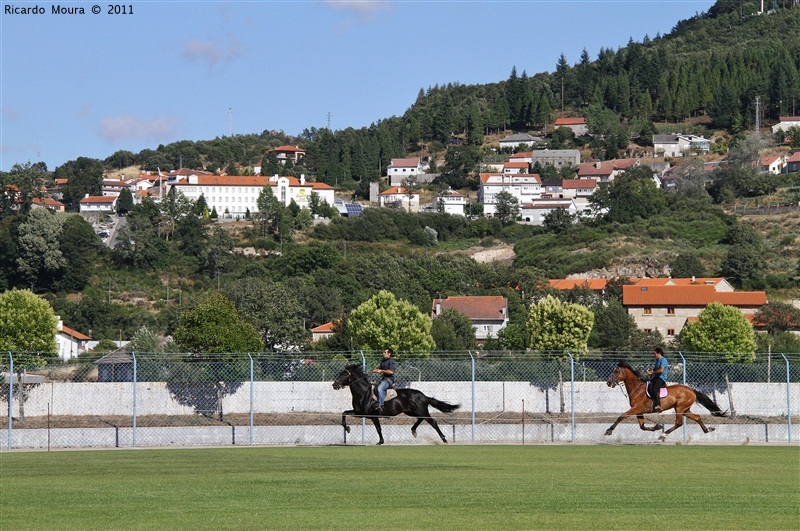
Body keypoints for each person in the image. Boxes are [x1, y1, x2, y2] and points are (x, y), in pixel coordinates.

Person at [373, 348, 396, 413]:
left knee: (380, 388)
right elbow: (380, 369)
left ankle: (381, 405)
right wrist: (376, 370)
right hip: (383, 379)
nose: (383, 353)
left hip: (389, 380)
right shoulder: (383, 361)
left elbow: (391, 372)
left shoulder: (391, 361)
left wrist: (381, 371)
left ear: (389, 354)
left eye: (385, 352)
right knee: (375, 388)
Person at [645, 347, 669, 412]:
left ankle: (658, 405)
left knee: (655, 389)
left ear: (659, 353)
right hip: (656, 378)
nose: (654, 355)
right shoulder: (657, 360)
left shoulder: (663, 360)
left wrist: (652, 372)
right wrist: (649, 372)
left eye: (654, 354)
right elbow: (655, 369)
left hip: (661, 378)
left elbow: (661, 370)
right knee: (647, 385)